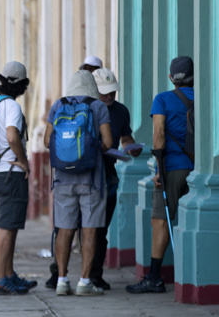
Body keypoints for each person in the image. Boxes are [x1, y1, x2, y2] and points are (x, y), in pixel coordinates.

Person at [126, 56, 194, 294]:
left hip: (172, 168)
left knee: (160, 221)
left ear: (170, 77)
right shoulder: (203, 98)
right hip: (196, 168)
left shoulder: (163, 99)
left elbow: (159, 136)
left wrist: (158, 170)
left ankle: (154, 277)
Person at [44, 70, 112, 296]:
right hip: (92, 179)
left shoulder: (58, 106)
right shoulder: (98, 107)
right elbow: (109, 142)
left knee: (64, 230)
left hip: (63, 178)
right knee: (90, 231)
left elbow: (47, 141)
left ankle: (62, 280)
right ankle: (85, 281)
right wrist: (91, 152)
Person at [0, 62, 38, 296]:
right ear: (21, 85)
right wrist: (23, 160)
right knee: (7, 228)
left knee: (10, 225)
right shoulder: (11, 106)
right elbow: (12, 136)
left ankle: (8, 274)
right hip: (10, 173)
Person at [90, 68, 143, 290]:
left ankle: (95, 274)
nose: (109, 96)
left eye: (112, 91)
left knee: (101, 229)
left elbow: (126, 137)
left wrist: (132, 148)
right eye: (105, 92)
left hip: (109, 174)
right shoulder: (87, 109)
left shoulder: (121, 111)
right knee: (73, 227)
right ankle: (59, 274)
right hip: (87, 173)